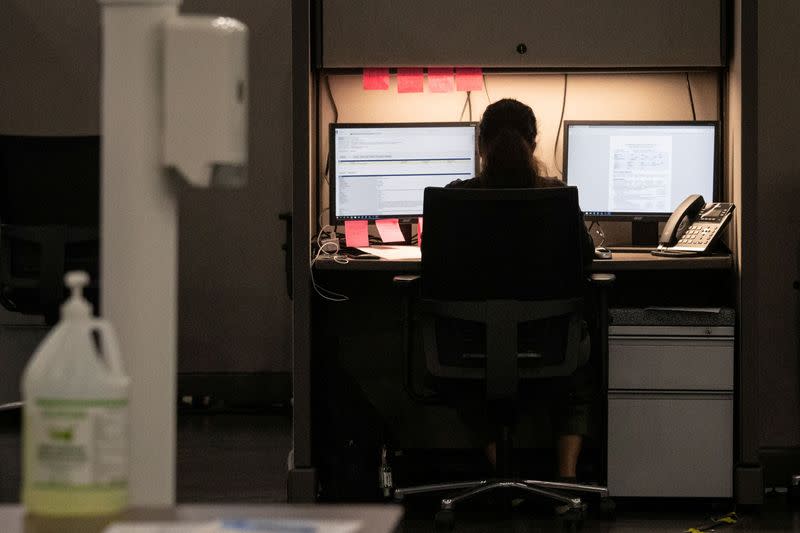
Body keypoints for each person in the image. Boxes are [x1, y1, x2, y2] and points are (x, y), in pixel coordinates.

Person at [447, 98, 595, 482]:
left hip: (472, 348)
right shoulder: (558, 198)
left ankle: (507, 474)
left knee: (464, 380)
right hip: (550, 345)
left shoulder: (455, 199)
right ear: (534, 143)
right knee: (576, 374)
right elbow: (587, 256)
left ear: (480, 144)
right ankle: (566, 481)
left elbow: (435, 264)